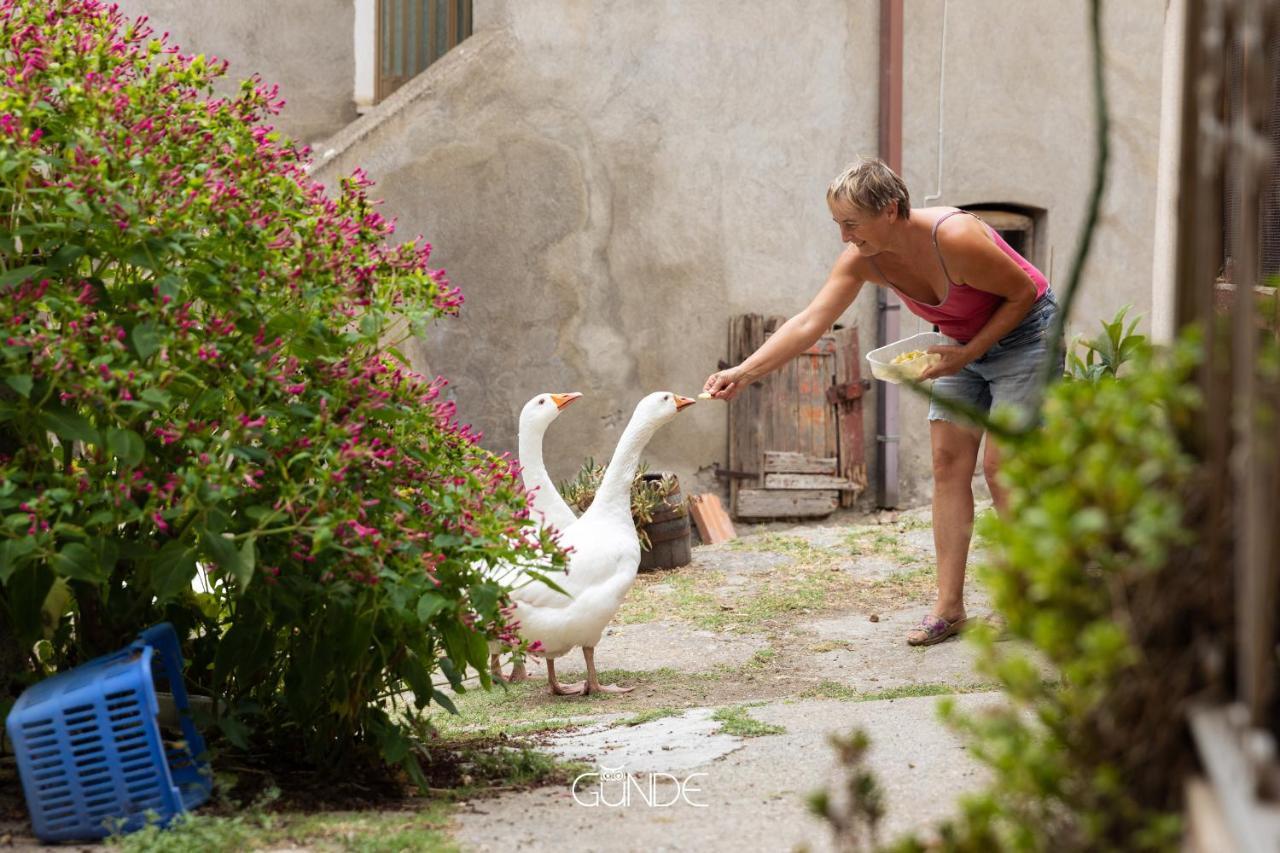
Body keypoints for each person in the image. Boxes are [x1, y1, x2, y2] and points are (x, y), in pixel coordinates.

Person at [703, 157, 1061, 646]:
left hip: (1026, 336)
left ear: (890, 209)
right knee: (946, 463)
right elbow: (810, 321)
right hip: (958, 347)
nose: (845, 236)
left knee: (1003, 468)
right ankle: (949, 609)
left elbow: (1023, 292)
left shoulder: (954, 238)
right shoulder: (863, 259)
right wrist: (744, 370)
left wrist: (971, 352)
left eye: (852, 223)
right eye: (838, 224)